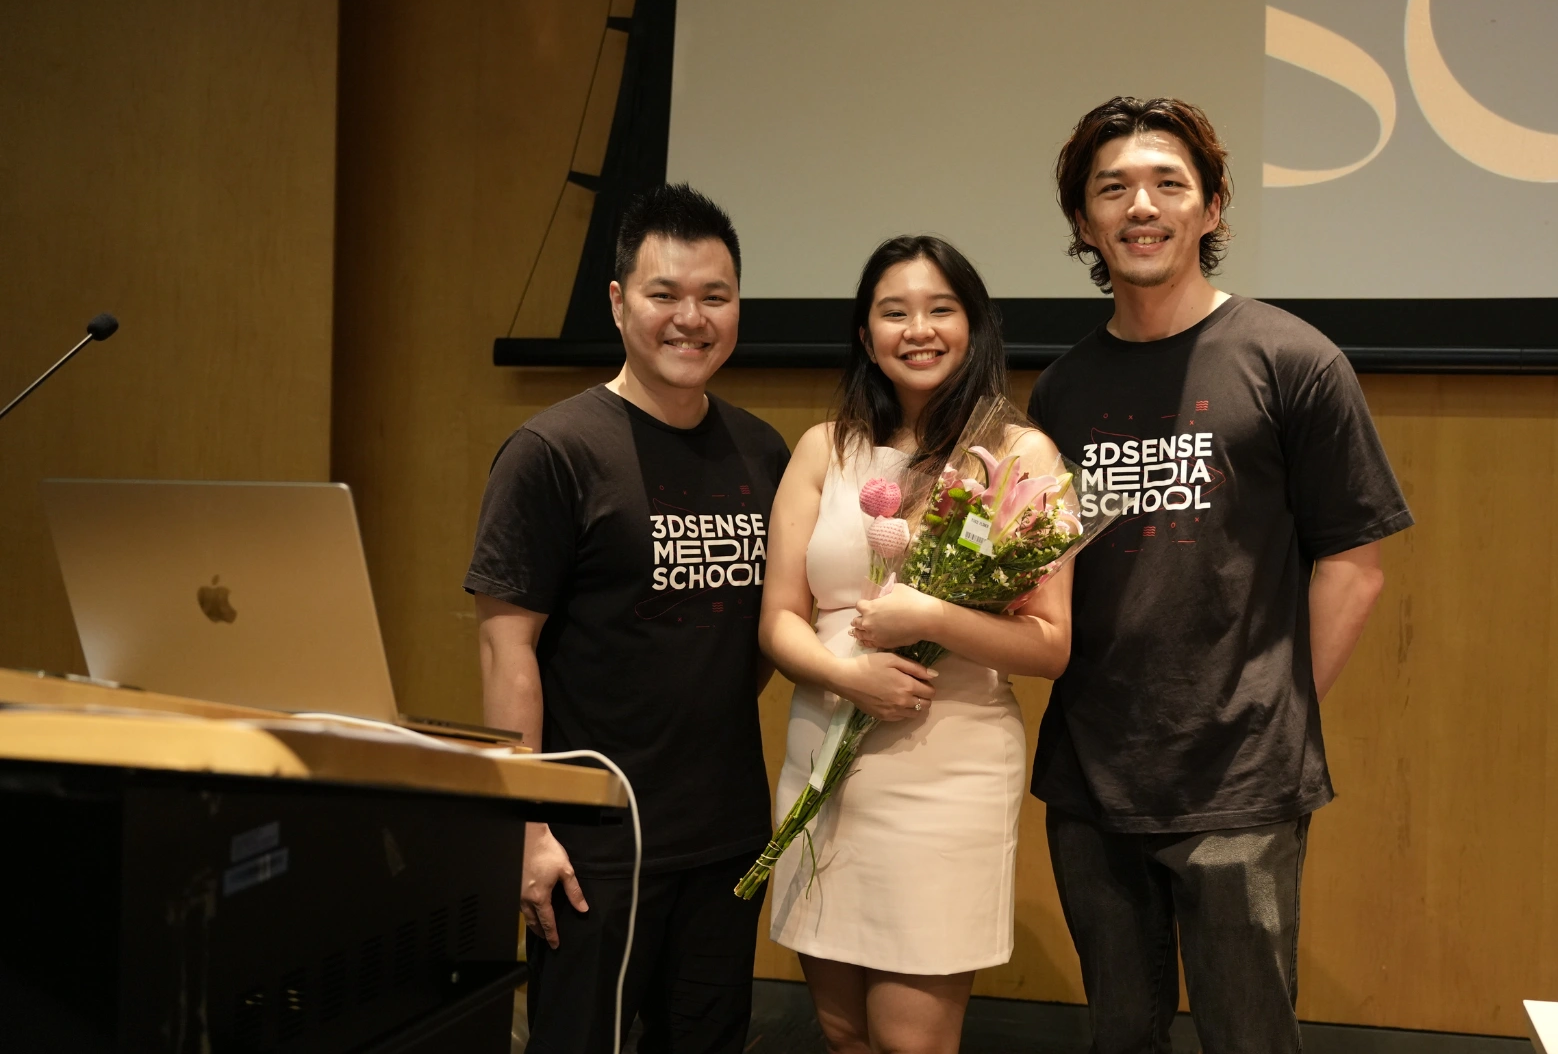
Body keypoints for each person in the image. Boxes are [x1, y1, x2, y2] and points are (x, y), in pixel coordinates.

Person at [1025, 97, 1414, 1054]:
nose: (1141, 206)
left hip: (1242, 783)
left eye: (1168, 184)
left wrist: (1272, 714)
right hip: (1093, 778)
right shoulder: (1061, 390)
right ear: (1083, 221)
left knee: (1249, 1038)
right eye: (1112, 188)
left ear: (1210, 207)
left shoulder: (1294, 361)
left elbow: (1355, 569)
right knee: (1121, 1034)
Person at [464, 183, 790, 1054]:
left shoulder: (761, 451)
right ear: (618, 303)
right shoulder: (552, 453)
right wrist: (528, 829)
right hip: (595, 842)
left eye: (715, 297)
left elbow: (753, 638)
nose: (692, 318)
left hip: (725, 835)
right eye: (664, 294)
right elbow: (507, 654)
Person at [759, 235, 1073, 1054]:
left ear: (975, 327)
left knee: (911, 1042)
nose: (918, 328)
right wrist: (848, 675)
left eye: (940, 309)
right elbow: (781, 619)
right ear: (866, 336)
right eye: (893, 312)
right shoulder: (823, 449)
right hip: (825, 755)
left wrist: (929, 618)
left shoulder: (1021, 455)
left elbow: (1048, 645)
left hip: (949, 771)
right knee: (839, 1031)